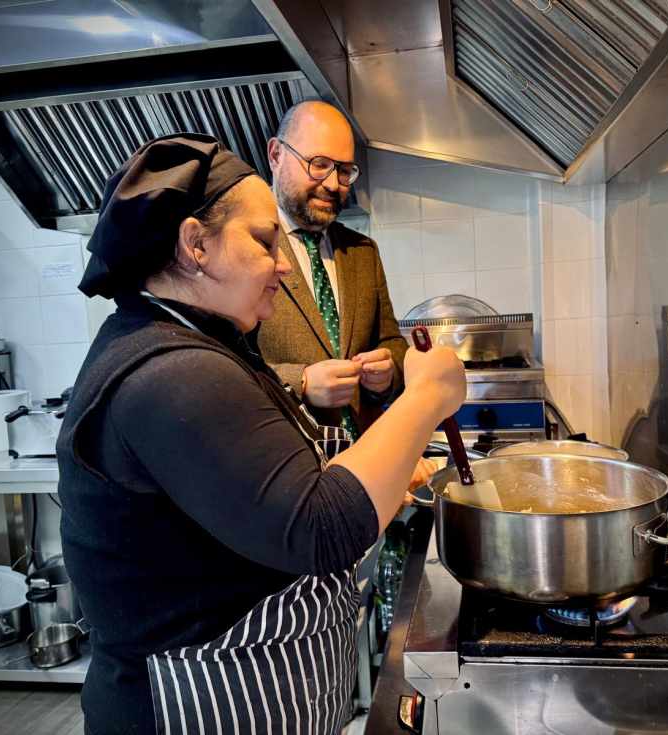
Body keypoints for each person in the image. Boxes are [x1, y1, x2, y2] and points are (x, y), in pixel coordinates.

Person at [56, 134, 464, 735]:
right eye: (264, 241)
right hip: (197, 705)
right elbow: (322, 528)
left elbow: (269, 481)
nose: (281, 263)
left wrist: (385, 469)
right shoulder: (173, 372)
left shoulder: (201, 342)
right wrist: (427, 396)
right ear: (195, 245)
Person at [258, 100, 407, 439]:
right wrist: (302, 381)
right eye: (319, 164)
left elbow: (391, 341)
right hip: (287, 462)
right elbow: (221, 366)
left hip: (364, 458)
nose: (332, 183)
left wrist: (388, 372)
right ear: (276, 155)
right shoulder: (245, 247)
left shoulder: (362, 252)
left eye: (343, 171)